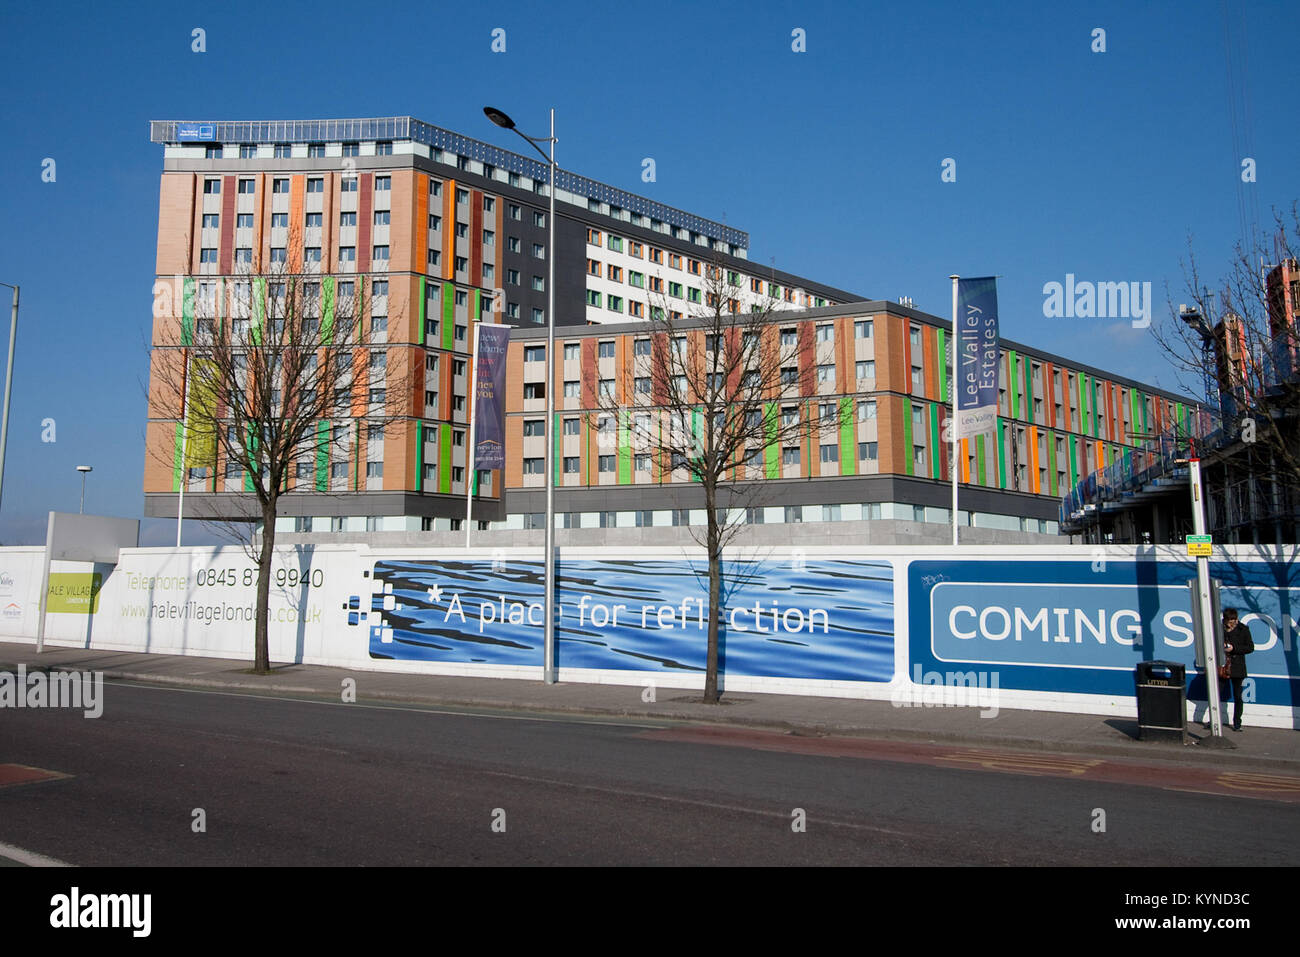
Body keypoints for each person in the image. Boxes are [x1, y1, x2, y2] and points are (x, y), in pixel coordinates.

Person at [1221, 608, 1255, 732]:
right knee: (1217, 692)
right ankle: (1215, 720)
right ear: (1225, 620)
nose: (1233, 623)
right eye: (1230, 621)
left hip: (1237, 666)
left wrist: (1234, 648)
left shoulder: (1243, 629)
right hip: (1222, 665)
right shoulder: (1219, 629)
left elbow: (1250, 647)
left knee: (1237, 695)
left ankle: (1237, 722)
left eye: (1234, 620)